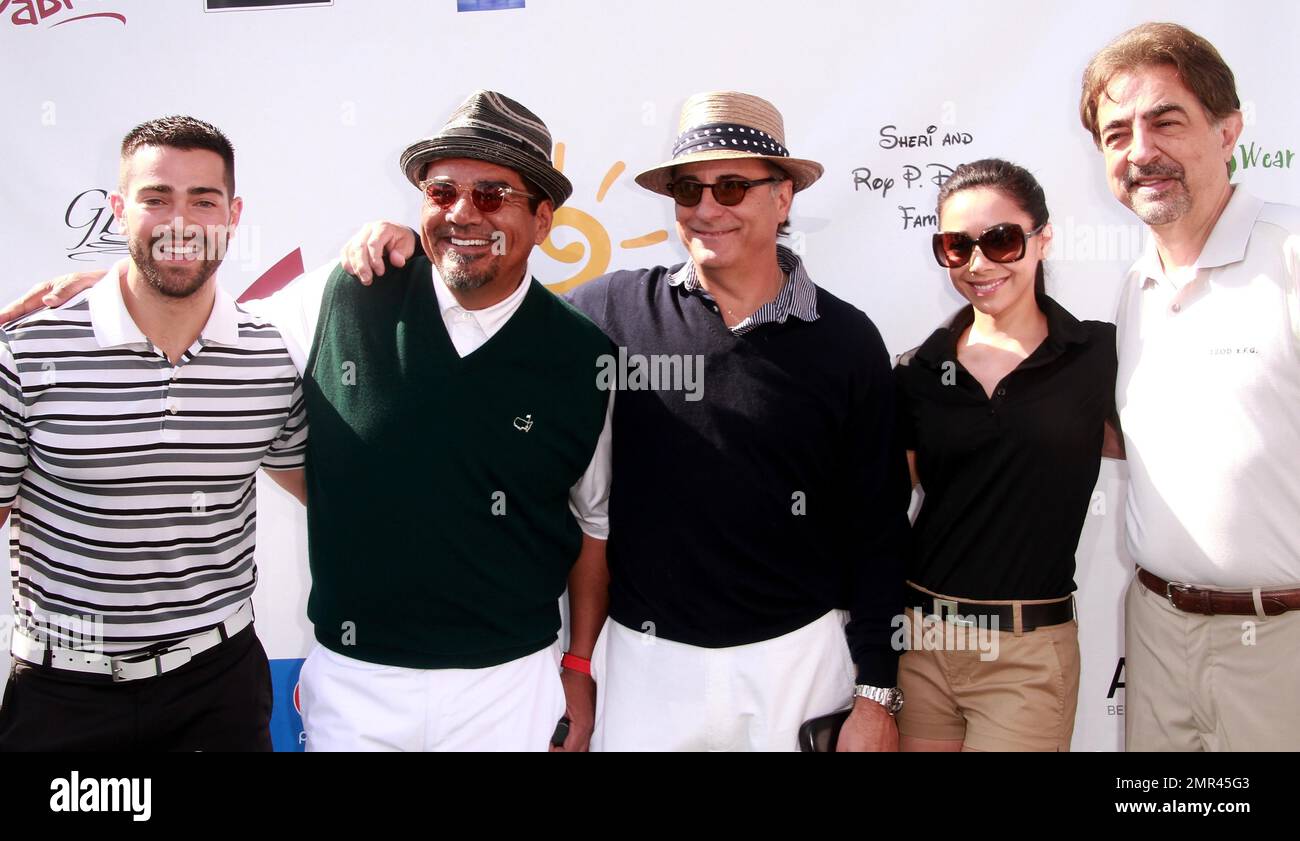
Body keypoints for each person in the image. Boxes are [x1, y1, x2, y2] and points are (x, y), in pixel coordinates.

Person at [4, 91, 614, 752]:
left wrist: (579, 665)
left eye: (493, 195)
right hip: (352, 685)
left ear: (545, 217)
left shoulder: (586, 357)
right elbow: (210, 318)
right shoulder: (343, 290)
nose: (463, 213)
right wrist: (129, 281)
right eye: (441, 192)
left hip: (510, 686)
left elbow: (593, 524)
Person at [339, 91, 912, 752]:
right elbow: (496, 313)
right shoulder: (608, 313)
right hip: (644, 670)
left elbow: (879, 528)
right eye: (687, 189)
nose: (706, 208)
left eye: (731, 186)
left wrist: (877, 694)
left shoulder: (846, 340)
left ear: (783, 198)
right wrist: (426, 253)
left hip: (800, 666)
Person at [0, 115, 308, 751]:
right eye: (156, 198)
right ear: (118, 210)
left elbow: (328, 493)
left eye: (203, 200)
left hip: (217, 689)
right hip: (64, 696)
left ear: (233, 213)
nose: (181, 221)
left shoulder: (268, 357)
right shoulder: (27, 351)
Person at [1081, 21, 1300, 751]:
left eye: (1164, 121)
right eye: (1116, 133)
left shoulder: (1292, 256)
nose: (1140, 151)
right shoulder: (1135, 286)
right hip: (1156, 632)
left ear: (1229, 128)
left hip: (1281, 645)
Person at [893, 159, 1118, 752]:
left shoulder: (1096, 355)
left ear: (1042, 239)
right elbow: (883, 506)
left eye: (1000, 239)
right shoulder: (918, 370)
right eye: (956, 245)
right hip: (920, 641)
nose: (978, 263)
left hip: (1026, 653)